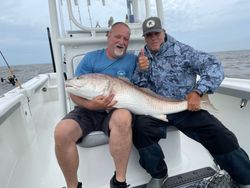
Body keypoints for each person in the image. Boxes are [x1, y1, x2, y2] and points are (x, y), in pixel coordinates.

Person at [132, 17, 250, 188]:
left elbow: (214, 66)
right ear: (145, 37)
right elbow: (139, 87)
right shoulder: (143, 56)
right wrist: (142, 71)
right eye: (149, 35)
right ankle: (159, 174)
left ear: (163, 32)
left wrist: (197, 91)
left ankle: (244, 178)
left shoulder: (183, 51)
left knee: (219, 133)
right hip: (155, 108)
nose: (153, 38)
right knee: (140, 128)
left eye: (156, 33)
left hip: (185, 107)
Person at [54, 22, 136, 188]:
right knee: (62, 132)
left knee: (123, 117)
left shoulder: (133, 61)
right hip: (88, 110)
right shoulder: (91, 58)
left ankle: (119, 182)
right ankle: (72, 185)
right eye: (117, 37)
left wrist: (145, 65)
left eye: (126, 39)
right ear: (108, 37)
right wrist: (91, 105)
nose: (122, 41)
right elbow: (73, 90)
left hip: (116, 109)